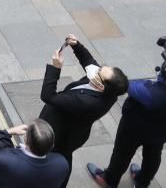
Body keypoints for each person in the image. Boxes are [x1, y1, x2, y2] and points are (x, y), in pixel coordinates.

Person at [86, 46, 166, 187]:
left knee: (122, 154)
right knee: (153, 155)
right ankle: (142, 182)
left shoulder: (150, 93)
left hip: (134, 129)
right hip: (164, 131)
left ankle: (109, 179)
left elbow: (126, 85)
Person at [38, 35, 128, 185]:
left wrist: (55, 68)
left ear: (100, 86)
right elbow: (90, 63)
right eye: (102, 67)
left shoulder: (86, 102)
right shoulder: (108, 89)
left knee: (58, 157)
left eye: (100, 72)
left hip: (60, 134)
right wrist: (77, 46)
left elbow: (48, 96)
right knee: (65, 156)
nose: (98, 68)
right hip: (75, 132)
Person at [0, 120, 69, 187]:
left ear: (26, 140)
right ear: (51, 145)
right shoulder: (62, 164)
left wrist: (8, 132)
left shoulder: (4, 159)